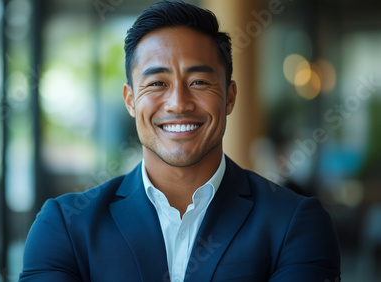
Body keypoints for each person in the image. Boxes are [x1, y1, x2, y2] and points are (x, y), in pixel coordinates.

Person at [20, 1, 341, 281]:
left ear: (229, 97)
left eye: (199, 81)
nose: (178, 103)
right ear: (131, 101)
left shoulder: (295, 223)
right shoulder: (65, 226)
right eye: (157, 82)